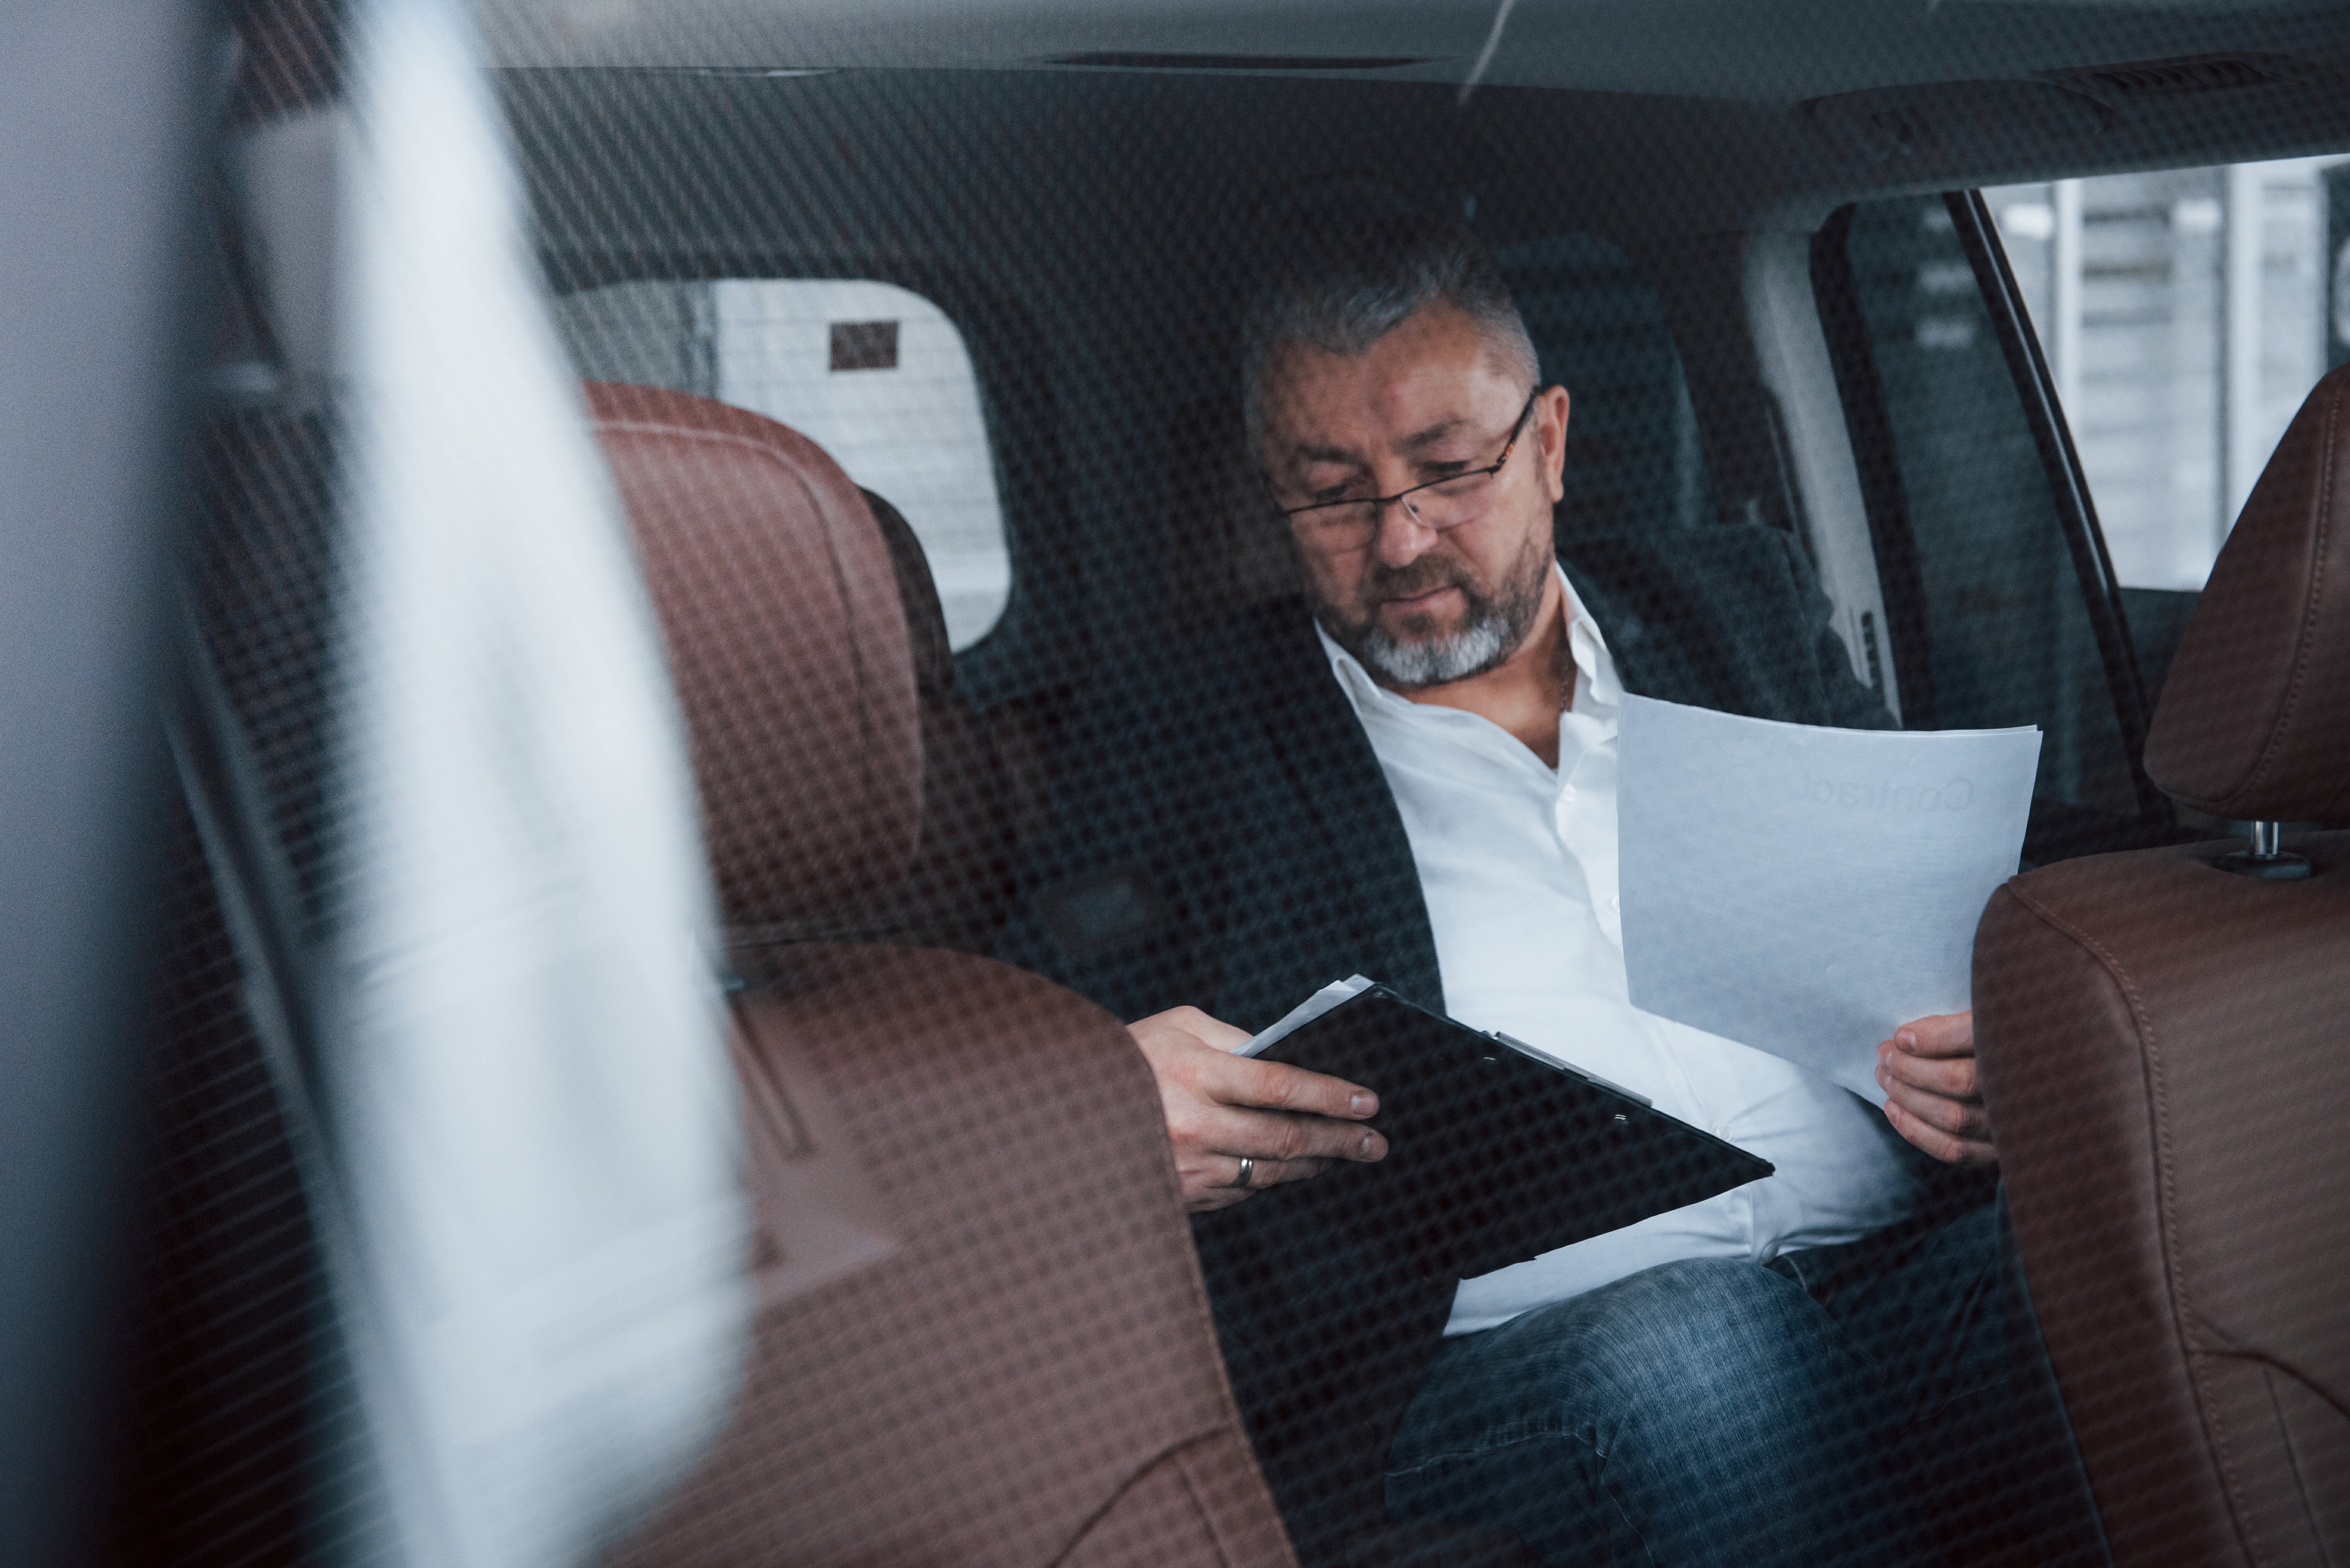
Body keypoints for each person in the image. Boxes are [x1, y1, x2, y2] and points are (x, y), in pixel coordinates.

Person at [999, 188, 2100, 1568]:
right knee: (1697, 1352)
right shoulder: (1179, 731)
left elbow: (1936, 923)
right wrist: (1104, 1097)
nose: (1399, 541)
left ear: (1553, 442)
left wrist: (1999, 1056)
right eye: (1332, 493)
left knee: (2122, 1235)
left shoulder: (1739, 604)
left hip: (1889, 1279)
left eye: (1447, 469)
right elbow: (1024, 1067)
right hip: (1496, 1383)